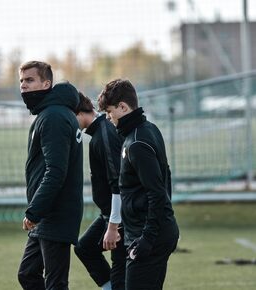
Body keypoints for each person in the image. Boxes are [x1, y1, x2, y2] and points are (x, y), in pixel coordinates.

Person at [99, 79, 179, 290]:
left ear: (123, 107)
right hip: (148, 232)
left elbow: (157, 192)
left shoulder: (136, 143)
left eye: (109, 112)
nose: (109, 118)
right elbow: (166, 176)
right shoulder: (146, 129)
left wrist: (147, 238)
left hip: (149, 236)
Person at [17, 61, 84, 290]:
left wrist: (35, 210)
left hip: (55, 213)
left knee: (56, 284)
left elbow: (56, 171)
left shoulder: (54, 117)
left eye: (30, 80)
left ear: (46, 84)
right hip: (47, 215)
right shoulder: (49, 114)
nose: (23, 86)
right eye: (21, 81)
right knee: (27, 274)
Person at [73, 92, 126, 290]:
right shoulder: (98, 133)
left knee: (121, 270)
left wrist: (114, 226)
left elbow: (117, 183)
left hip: (120, 217)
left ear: (79, 113)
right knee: (85, 248)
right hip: (109, 214)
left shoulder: (104, 134)